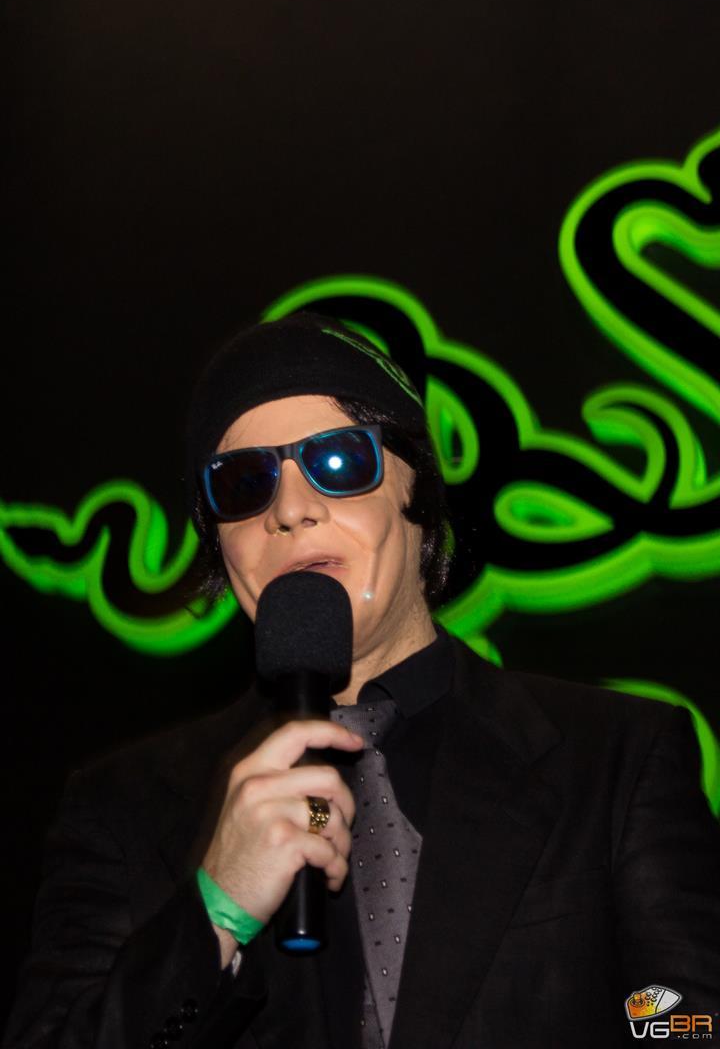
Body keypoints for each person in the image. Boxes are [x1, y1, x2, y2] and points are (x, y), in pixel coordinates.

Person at [4, 312, 720, 1049]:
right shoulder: (121, 809)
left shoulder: (618, 761)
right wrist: (216, 911)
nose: (290, 510)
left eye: (340, 460)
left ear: (419, 495)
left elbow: (691, 1026)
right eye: (244, 482)